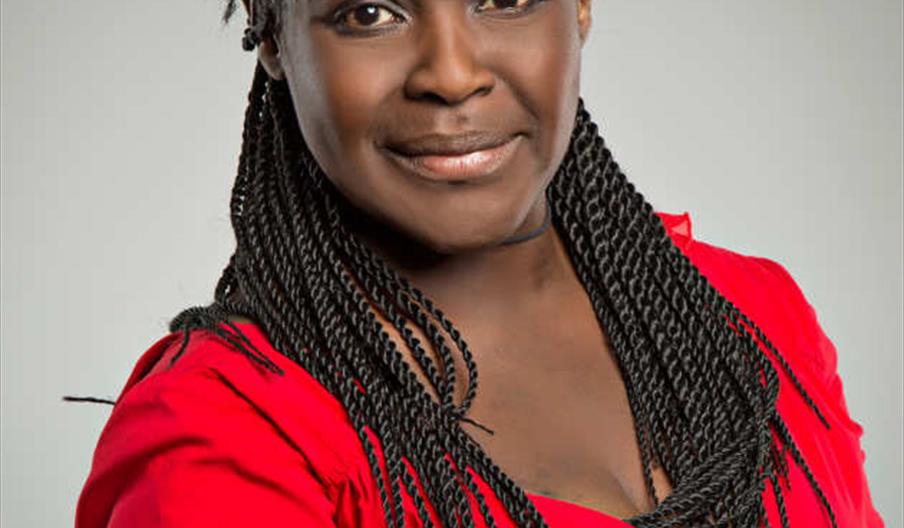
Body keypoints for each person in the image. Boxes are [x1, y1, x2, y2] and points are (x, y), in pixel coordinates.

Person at [74, 0, 884, 526]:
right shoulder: (225, 430)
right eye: (369, 12)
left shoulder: (753, 314)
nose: (453, 74)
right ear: (273, 32)